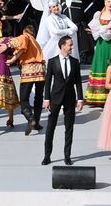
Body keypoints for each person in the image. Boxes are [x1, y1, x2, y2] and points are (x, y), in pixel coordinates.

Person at [41, 35, 85, 165]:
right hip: (55, 97)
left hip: (70, 98)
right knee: (51, 127)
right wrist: (46, 98)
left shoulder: (74, 62)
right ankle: (47, 155)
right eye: (70, 45)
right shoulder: (52, 61)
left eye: (72, 45)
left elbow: (78, 82)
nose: (72, 47)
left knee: (69, 127)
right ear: (62, 46)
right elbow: (48, 81)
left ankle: (67, 155)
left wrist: (80, 99)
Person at [12, 24, 46, 135]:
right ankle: (37, 122)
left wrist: (12, 59)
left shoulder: (25, 37)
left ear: (24, 31)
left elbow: (20, 46)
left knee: (24, 99)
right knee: (39, 97)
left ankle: (31, 118)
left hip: (29, 69)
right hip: (40, 70)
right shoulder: (36, 42)